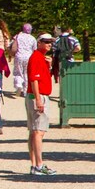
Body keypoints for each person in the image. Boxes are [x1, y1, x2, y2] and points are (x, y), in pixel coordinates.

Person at [27, 34, 57, 175]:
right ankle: (39, 164)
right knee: (39, 131)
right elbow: (34, 80)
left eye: (51, 42)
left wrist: (49, 66)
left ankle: (34, 165)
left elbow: (43, 78)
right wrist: (38, 99)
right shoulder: (36, 57)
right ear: (39, 43)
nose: (49, 44)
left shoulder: (41, 58)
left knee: (34, 132)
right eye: (46, 42)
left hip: (36, 96)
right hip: (38, 97)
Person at [9, 23, 38, 96]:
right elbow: (35, 49)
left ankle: (18, 85)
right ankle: (25, 91)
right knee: (27, 73)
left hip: (19, 56)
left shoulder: (18, 36)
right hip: (29, 57)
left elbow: (11, 45)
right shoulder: (32, 38)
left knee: (18, 72)